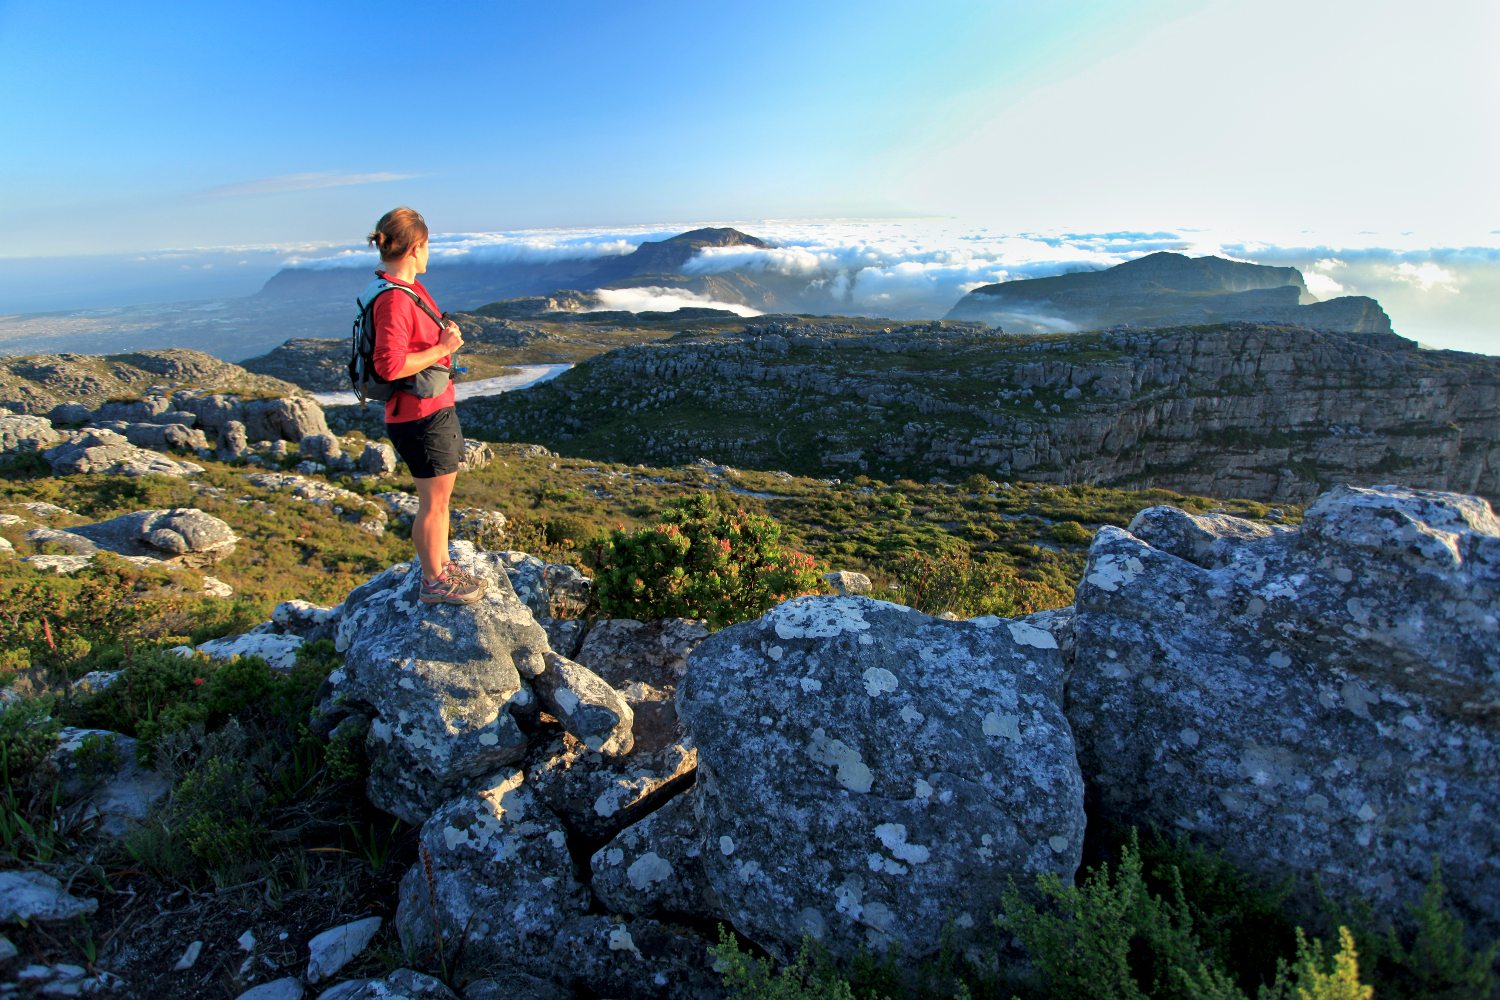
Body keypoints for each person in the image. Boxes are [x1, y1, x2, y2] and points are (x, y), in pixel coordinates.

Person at [367, 207, 487, 605]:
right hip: (421, 416)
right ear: (416, 247)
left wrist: (440, 340)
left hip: (425, 410)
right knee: (435, 505)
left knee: (436, 503)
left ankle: (439, 566)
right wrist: (443, 348)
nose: (430, 251)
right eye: (428, 244)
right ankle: (434, 582)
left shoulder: (401, 289)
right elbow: (388, 365)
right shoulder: (396, 300)